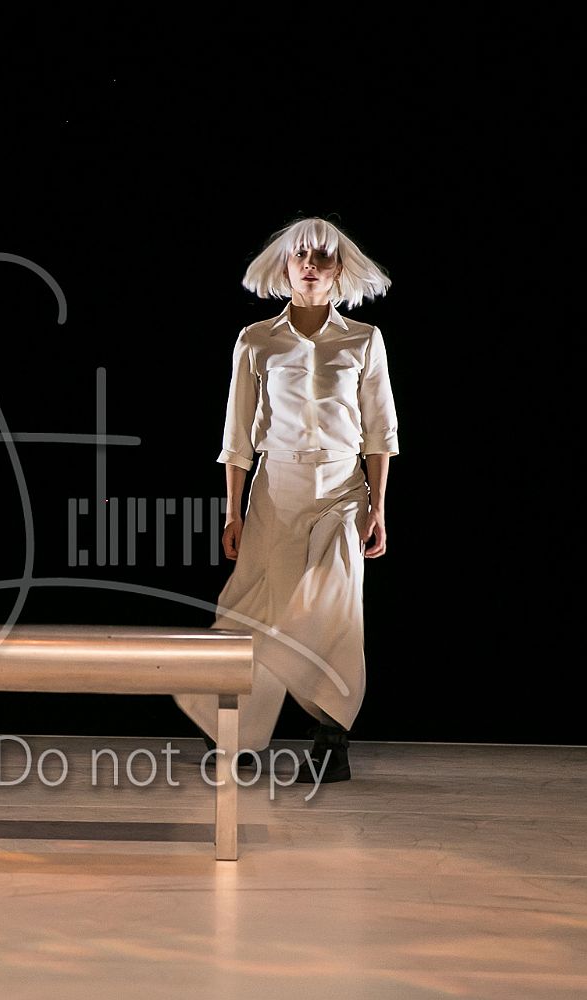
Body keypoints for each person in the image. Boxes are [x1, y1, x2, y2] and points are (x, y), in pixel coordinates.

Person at [175, 217, 397, 783]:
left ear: (339, 269)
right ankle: (234, 731)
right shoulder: (256, 339)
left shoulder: (364, 339)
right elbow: (236, 436)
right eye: (301, 255)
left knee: (335, 609)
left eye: (323, 257)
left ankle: (331, 740)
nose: (311, 265)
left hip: (343, 489)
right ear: (285, 265)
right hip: (276, 489)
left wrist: (378, 508)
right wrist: (232, 511)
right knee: (255, 607)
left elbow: (380, 432)